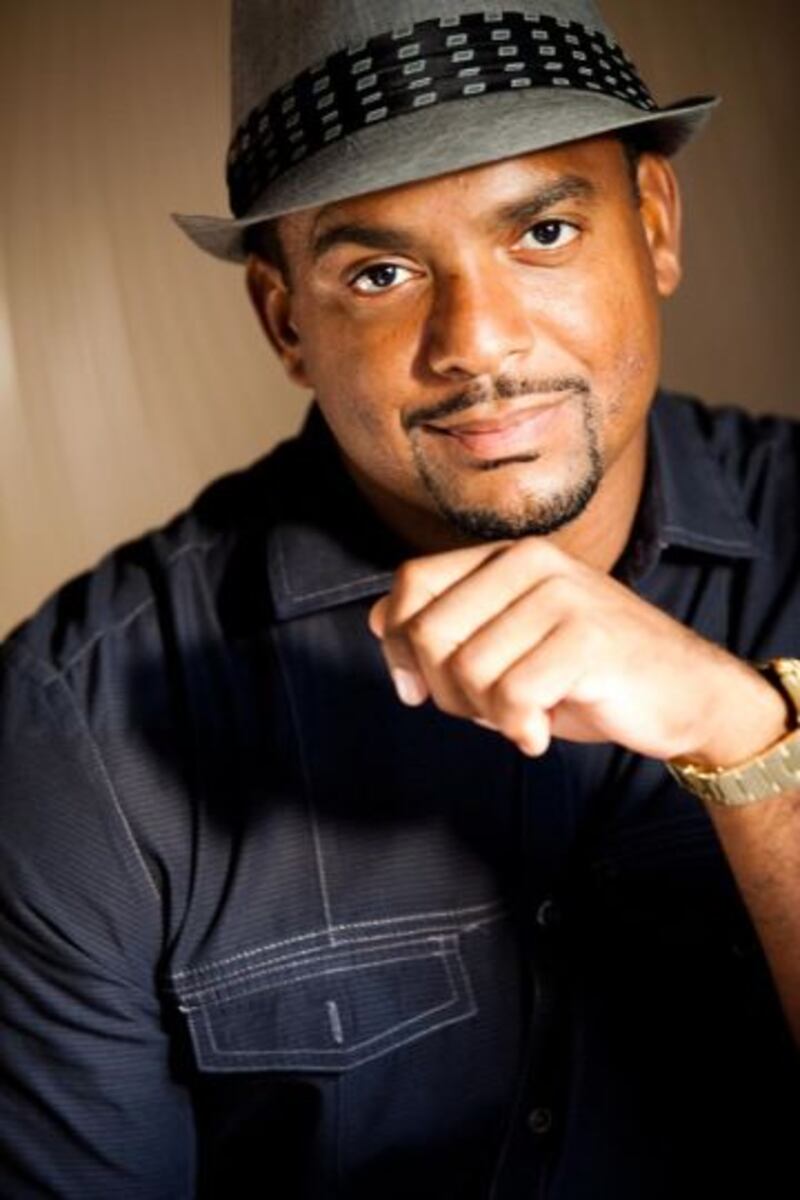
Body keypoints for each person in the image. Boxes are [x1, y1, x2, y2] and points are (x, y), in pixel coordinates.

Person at [1, 0, 799, 1196]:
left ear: (653, 225)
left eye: (541, 232)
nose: (475, 342)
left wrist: (742, 740)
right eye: (379, 273)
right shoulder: (76, 731)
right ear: (285, 320)